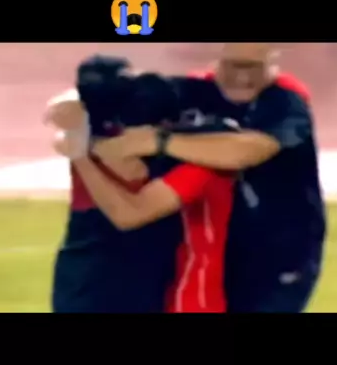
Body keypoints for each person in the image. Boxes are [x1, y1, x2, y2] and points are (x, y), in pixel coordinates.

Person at [93, 43, 327, 314]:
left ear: (272, 59)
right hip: (216, 253)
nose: (242, 77)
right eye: (234, 65)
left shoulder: (286, 99)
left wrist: (159, 142)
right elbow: (105, 98)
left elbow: (246, 151)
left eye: (253, 67)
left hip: (280, 255)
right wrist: (79, 109)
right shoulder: (192, 90)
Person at [47, 56, 235, 314]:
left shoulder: (94, 131)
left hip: (90, 271)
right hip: (118, 273)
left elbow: (129, 203)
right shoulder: (151, 132)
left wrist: (80, 148)